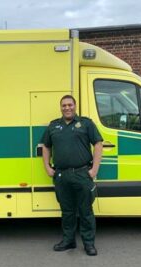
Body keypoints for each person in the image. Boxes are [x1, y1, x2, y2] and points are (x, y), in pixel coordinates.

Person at [42, 95, 103, 256]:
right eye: (64, 105)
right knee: (67, 211)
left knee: (85, 211)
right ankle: (68, 241)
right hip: (61, 176)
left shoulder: (86, 123)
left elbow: (98, 144)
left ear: (75, 106)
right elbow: (46, 147)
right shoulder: (53, 126)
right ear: (60, 107)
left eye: (70, 105)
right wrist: (47, 167)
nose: (67, 108)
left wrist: (94, 169)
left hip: (82, 174)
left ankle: (89, 243)